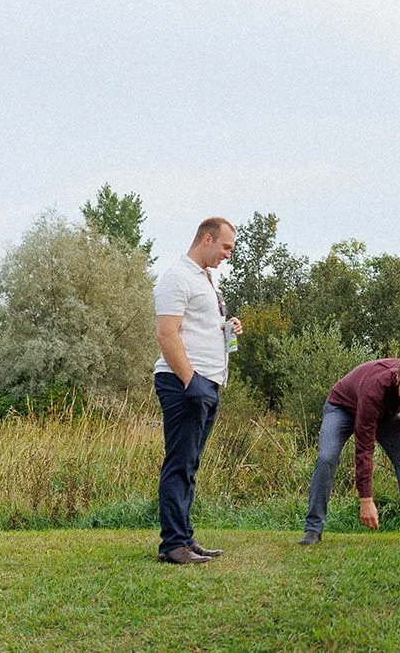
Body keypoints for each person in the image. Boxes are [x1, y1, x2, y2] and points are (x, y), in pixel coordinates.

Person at [152, 217, 243, 564]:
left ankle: (185, 539)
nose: (227, 255)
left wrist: (227, 326)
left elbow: (197, 327)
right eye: (225, 247)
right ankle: (172, 545)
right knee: (178, 464)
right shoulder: (176, 277)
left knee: (189, 464)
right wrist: (192, 382)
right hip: (184, 383)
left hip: (207, 381)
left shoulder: (204, 280)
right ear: (206, 238)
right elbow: (167, 334)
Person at [299, 355, 400, 546]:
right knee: (327, 457)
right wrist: (366, 500)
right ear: (398, 378)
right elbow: (364, 449)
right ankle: (313, 529)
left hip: (382, 414)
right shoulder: (375, 389)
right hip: (342, 408)